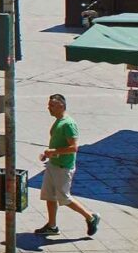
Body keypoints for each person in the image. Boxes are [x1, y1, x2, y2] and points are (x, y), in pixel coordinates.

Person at [36, 94, 101, 237]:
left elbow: (74, 148)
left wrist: (54, 151)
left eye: (52, 105)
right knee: (49, 196)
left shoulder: (68, 124)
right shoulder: (58, 121)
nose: (49, 108)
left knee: (64, 198)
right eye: (49, 105)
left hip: (63, 167)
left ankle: (90, 217)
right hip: (53, 164)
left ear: (61, 106)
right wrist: (48, 154)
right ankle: (52, 226)